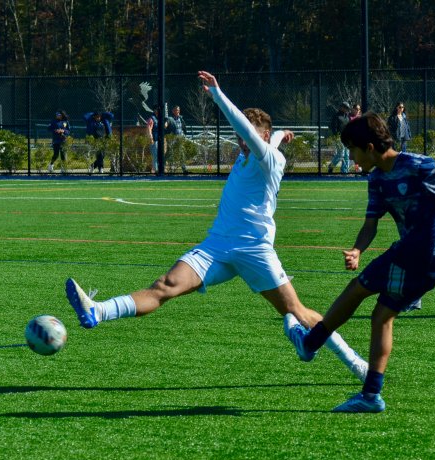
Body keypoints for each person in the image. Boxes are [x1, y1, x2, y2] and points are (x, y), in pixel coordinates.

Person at [65, 70, 368, 382]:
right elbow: (264, 136)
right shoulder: (253, 151)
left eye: (248, 133)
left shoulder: (270, 159)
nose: (241, 138)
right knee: (165, 286)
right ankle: (97, 311)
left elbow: (255, 136)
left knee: (298, 313)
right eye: (240, 135)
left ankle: (357, 365)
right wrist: (282, 134)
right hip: (218, 246)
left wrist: (218, 95)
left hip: (255, 250)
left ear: (261, 137)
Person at [285, 112, 435, 413]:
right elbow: (370, 225)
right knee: (381, 316)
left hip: (424, 252)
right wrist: (357, 250)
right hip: (415, 255)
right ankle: (370, 396)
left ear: (369, 146)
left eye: (352, 150)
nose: (351, 158)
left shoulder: (418, 165)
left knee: (356, 289)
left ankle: (310, 343)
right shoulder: (377, 178)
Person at [327, 102, 351, 174]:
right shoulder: (336, 116)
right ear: (342, 107)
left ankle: (345, 171)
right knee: (341, 153)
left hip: (346, 138)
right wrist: (336, 136)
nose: (347, 109)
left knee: (347, 154)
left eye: (347, 108)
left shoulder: (347, 117)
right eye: (345, 108)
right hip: (338, 138)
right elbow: (333, 128)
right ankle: (331, 167)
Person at [165, 105, 188, 174]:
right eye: (176, 110)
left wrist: (184, 135)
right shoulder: (170, 118)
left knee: (182, 153)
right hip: (173, 138)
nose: (177, 111)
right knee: (170, 153)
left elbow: (183, 127)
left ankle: (184, 169)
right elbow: (166, 125)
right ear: (173, 111)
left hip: (180, 137)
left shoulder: (181, 118)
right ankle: (169, 168)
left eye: (178, 110)